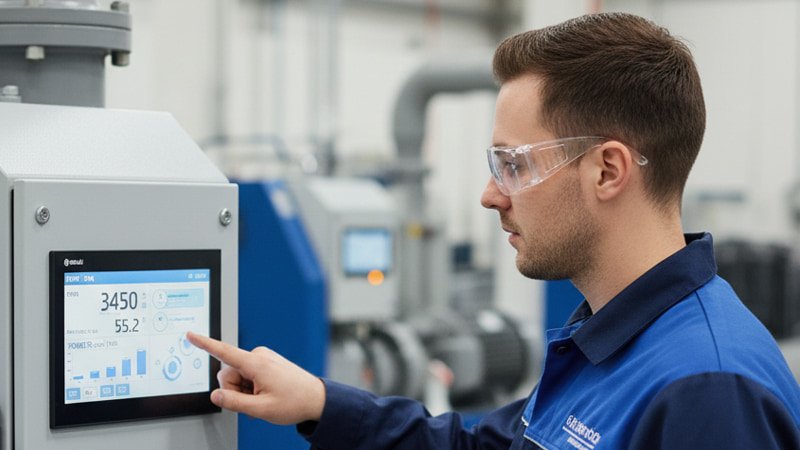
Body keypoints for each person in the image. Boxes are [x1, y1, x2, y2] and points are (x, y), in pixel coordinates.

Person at [188, 12, 800, 449]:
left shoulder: (709, 391)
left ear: (608, 170)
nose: (490, 195)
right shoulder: (605, 337)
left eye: (514, 164)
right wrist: (321, 402)